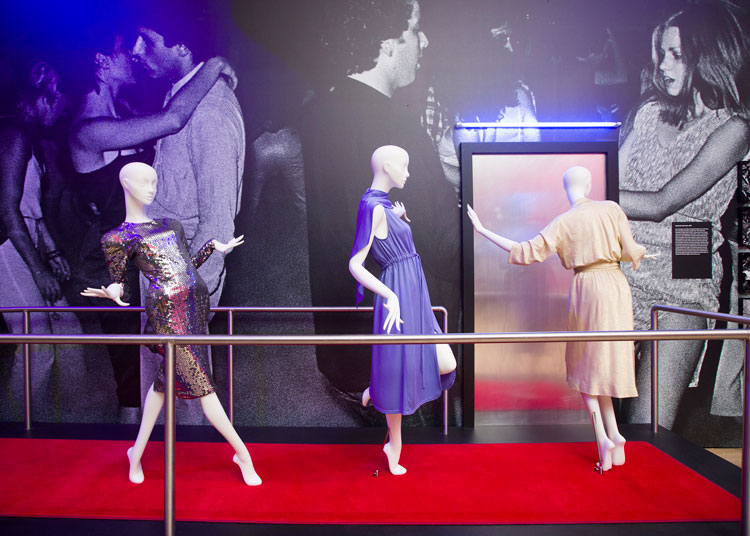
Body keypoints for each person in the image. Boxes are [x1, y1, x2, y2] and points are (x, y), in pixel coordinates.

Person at [301, 0, 460, 423]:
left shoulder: (319, 111)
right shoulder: (398, 126)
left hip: (343, 349)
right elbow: (444, 242)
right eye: (414, 28)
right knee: (419, 474)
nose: (423, 40)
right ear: (387, 42)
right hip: (399, 353)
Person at [69, 32, 237, 420]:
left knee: (160, 375)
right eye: (120, 49)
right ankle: (135, 466)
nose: (133, 53)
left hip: (142, 259)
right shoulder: (89, 130)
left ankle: (160, 458)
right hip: (116, 268)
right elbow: (175, 119)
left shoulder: (122, 113)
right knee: (134, 379)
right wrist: (213, 64)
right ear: (101, 63)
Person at [81, 162, 260, 486]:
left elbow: (186, 265)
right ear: (125, 184)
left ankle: (136, 452)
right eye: (144, 181)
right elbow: (120, 280)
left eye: (154, 181)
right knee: (202, 385)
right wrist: (112, 291)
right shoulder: (117, 237)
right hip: (166, 311)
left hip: (193, 303)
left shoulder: (170, 225)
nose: (151, 187)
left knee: (163, 386)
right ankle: (242, 453)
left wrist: (214, 248)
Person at [617, 1, 750, 427]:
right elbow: (612, 176)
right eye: (659, 54)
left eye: (675, 54)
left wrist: (579, 192)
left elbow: (661, 203)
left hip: (683, 284)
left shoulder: (732, 128)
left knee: (648, 430)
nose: (662, 66)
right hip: (617, 273)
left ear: (708, 56)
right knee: (592, 427)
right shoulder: (647, 112)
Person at [467, 166, 646, 472]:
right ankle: (615, 432)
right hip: (616, 287)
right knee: (603, 362)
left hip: (588, 289)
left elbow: (524, 252)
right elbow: (630, 252)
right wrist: (639, 252)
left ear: (566, 188)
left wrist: (483, 230)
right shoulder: (612, 209)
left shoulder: (564, 222)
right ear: (588, 184)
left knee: (586, 366)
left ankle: (603, 437)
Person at [131, 16, 246, 422]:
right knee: (166, 408)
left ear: (181, 47)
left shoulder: (210, 110)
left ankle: (188, 483)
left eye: (147, 40)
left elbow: (217, 226)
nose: (136, 52)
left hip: (179, 292)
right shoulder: (183, 97)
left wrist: (185, 303)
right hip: (165, 280)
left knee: (186, 412)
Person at [349, 145, 456, 475]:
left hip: (414, 289)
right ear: (386, 166)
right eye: (404, 166)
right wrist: (389, 296)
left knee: (445, 361)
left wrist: (398, 221)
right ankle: (394, 445)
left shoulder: (381, 205)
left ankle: (377, 388)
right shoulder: (372, 206)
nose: (408, 173)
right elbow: (355, 263)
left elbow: (387, 237)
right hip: (397, 291)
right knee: (398, 365)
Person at [0, 61, 84, 421]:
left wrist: (49, 249)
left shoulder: (28, 135)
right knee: (36, 345)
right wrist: (39, 271)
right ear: (45, 94)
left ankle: (73, 416)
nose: (66, 107)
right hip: (6, 248)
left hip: (24, 239)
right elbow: (8, 211)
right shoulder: (14, 134)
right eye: (63, 97)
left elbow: (28, 208)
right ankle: (18, 430)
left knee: (67, 326)